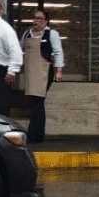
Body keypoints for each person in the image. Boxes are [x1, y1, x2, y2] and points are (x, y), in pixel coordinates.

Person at [20, 9, 65, 143]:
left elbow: (58, 52)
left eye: (40, 18)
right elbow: (20, 49)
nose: (36, 21)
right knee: (35, 102)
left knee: (37, 101)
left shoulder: (51, 34)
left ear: (46, 21)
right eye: (35, 18)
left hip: (44, 71)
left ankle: (34, 134)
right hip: (31, 72)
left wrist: (58, 70)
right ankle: (37, 134)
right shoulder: (27, 33)